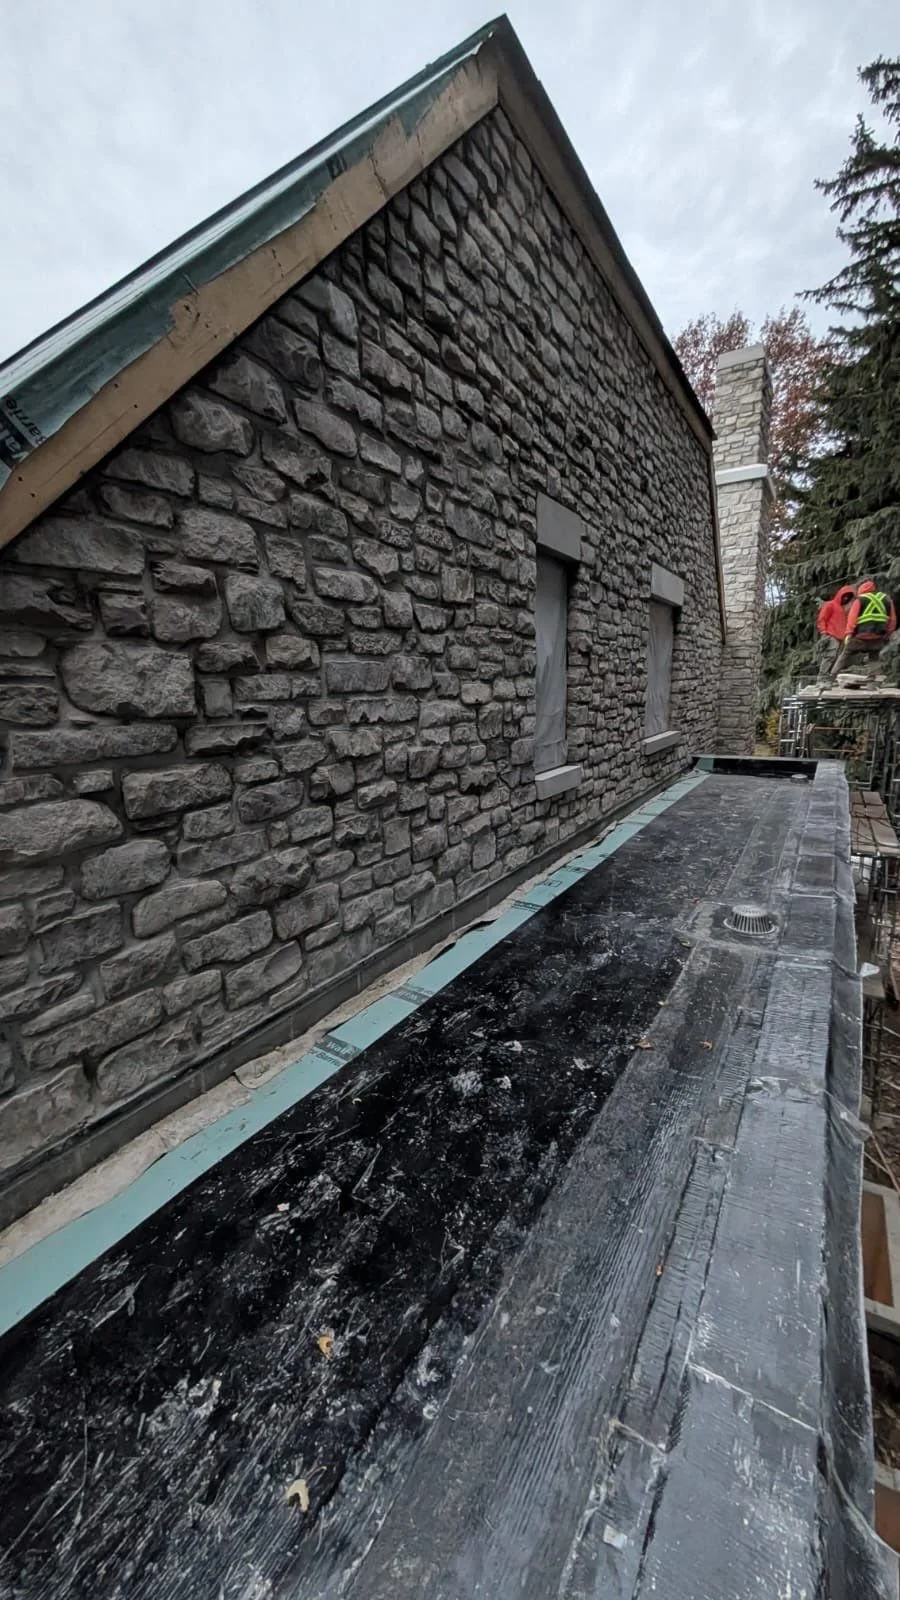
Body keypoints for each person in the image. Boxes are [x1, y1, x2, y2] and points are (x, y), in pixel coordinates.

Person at [828, 579, 896, 678]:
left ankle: (831, 676)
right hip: (878, 636)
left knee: (845, 654)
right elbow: (892, 619)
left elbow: (852, 618)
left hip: (860, 636)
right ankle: (874, 681)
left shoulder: (860, 600)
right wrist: (887, 634)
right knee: (874, 658)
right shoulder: (886, 599)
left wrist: (849, 634)